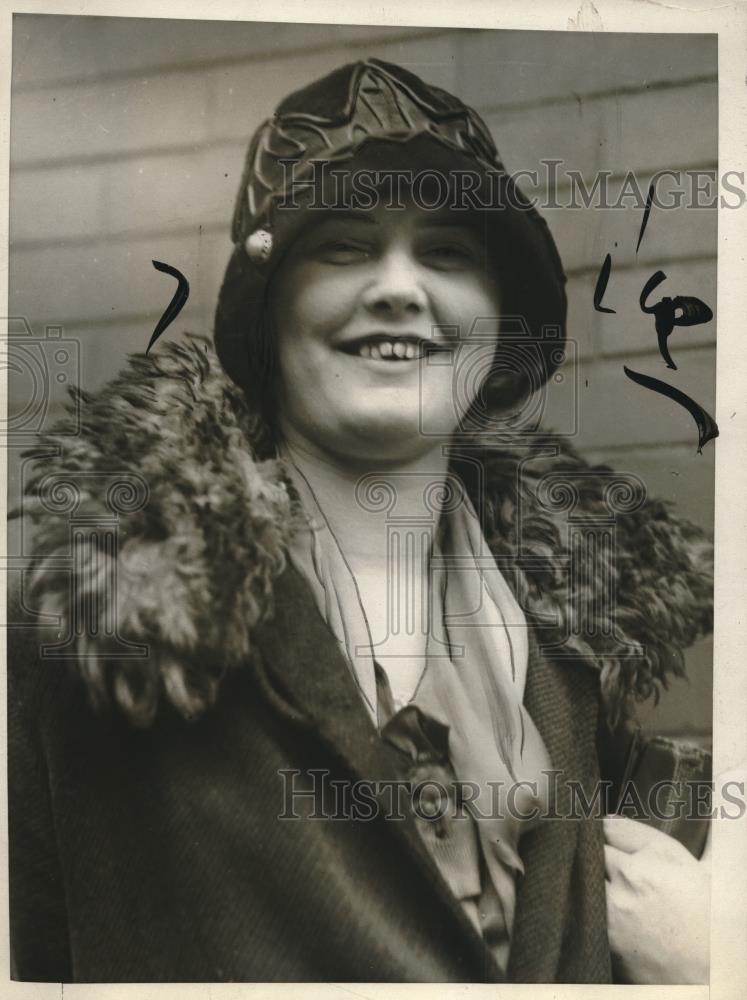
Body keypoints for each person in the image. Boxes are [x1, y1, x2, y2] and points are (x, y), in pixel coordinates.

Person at [8, 58, 713, 984]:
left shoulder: (582, 649)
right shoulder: (98, 642)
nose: (397, 287)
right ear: (268, 311)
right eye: (342, 244)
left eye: (447, 252)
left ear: (498, 319)